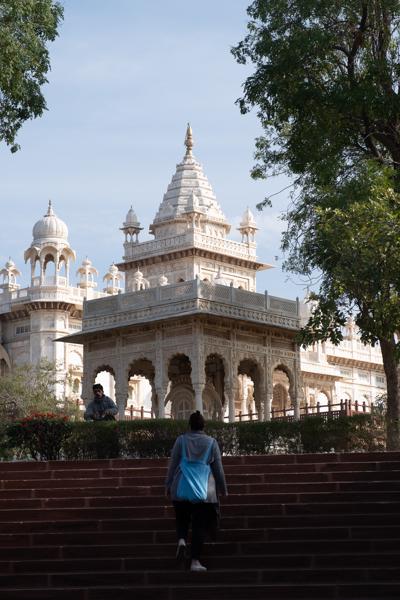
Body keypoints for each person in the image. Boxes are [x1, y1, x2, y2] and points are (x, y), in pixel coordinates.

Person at [165, 410, 228, 572]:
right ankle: (194, 561)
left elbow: (172, 465)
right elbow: (218, 469)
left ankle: (181, 541)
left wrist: (167, 484)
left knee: (182, 519)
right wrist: (223, 489)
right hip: (204, 491)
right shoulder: (211, 442)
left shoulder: (181, 440)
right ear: (203, 426)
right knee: (200, 525)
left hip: (181, 486)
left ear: (189, 425)